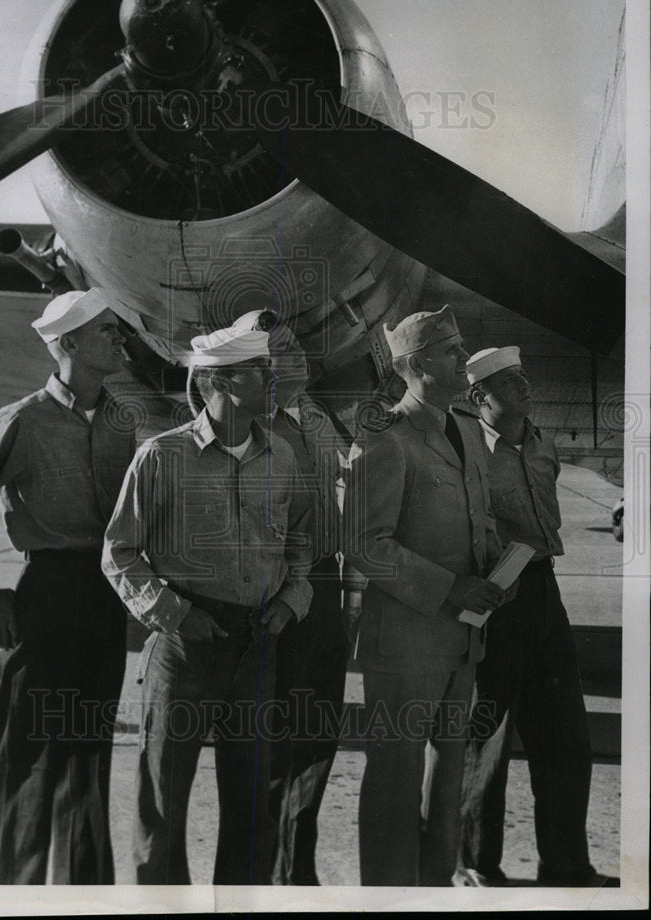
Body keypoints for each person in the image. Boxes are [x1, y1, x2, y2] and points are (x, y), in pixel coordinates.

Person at [0, 288, 135, 885]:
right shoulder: (22, 421)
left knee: (88, 757)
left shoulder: (127, 421)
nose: (121, 341)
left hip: (106, 596)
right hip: (46, 595)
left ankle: (84, 896)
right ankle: (10, 895)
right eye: (107, 332)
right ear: (68, 343)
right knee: (28, 757)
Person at [101, 323, 313, 885]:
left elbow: (299, 543)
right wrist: (174, 614)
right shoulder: (161, 456)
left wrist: (291, 600)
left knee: (252, 805)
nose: (274, 380)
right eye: (260, 371)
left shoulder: (283, 455)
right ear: (219, 380)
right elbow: (120, 552)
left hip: (258, 646)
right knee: (164, 802)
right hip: (183, 646)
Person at [343, 305, 514, 886]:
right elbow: (364, 545)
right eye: (451, 352)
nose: (465, 360)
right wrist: (450, 587)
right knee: (395, 780)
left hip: (462, 637)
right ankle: (387, 894)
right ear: (416, 366)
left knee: (447, 781)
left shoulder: (465, 428)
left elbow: (477, 519)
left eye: (461, 348)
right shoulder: (384, 438)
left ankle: (435, 887)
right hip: (406, 643)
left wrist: (495, 572)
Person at [457, 346, 612, 888]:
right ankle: (476, 865)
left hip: (545, 590)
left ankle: (567, 865)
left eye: (523, 374)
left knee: (566, 734)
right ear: (481, 396)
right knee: (488, 738)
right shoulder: (466, 447)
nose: (524, 385)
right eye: (509, 380)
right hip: (496, 598)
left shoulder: (542, 444)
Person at [232, 308, 349, 886]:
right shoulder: (249, 428)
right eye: (281, 348)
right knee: (274, 737)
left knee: (319, 729)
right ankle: (267, 872)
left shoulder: (319, 418)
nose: (298, 352)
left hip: (322, 586)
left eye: (297, 343)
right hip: (272, 592)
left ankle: (296, 867)